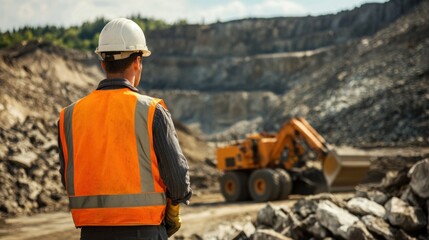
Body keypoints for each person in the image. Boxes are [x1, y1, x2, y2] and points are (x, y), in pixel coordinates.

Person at [57, 18, 192, 240]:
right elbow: (177, 179)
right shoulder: (151, 111)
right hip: (144, 231)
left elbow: (68, 178)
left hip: (91, 233)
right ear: (138, 61)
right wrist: (174, 208)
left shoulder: (69, 116)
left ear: (102, 63)